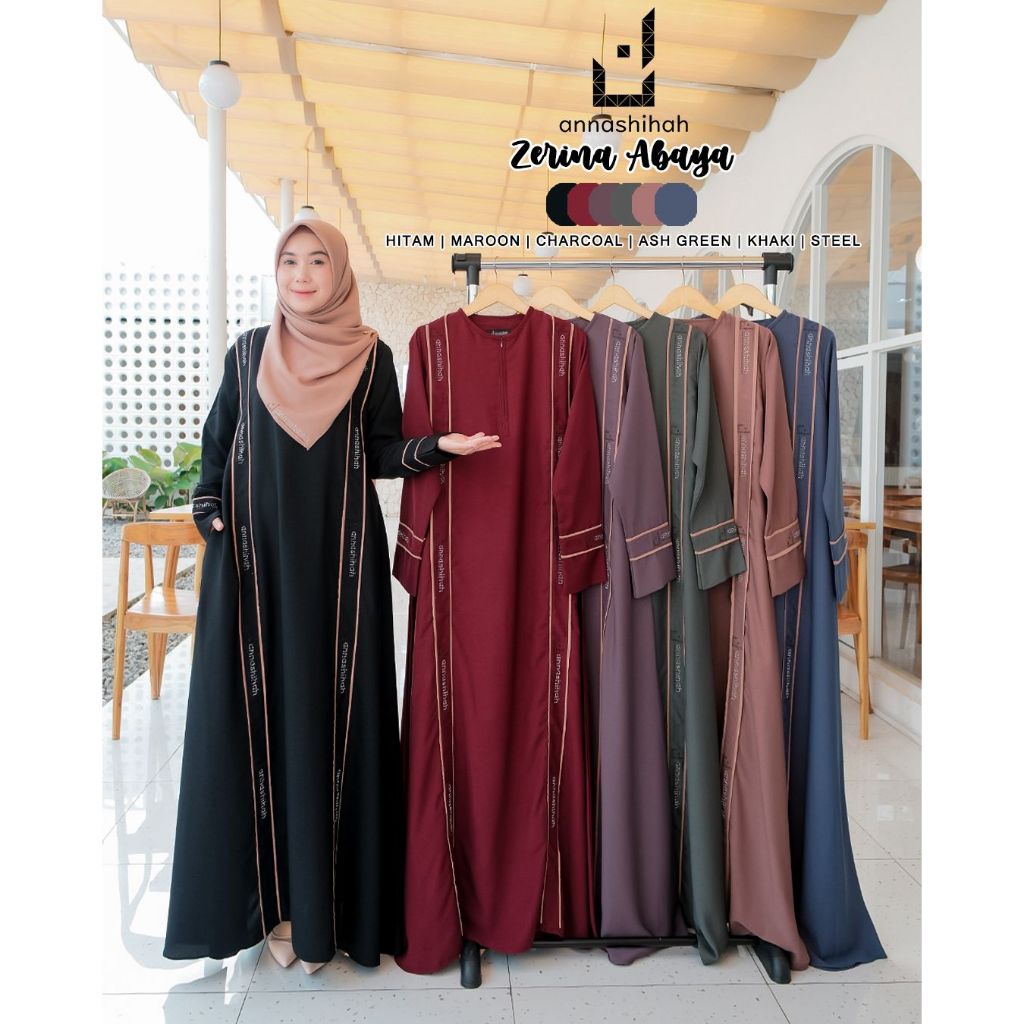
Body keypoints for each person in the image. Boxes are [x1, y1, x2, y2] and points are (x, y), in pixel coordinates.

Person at [163, 218, 498, 973]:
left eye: (318, 261)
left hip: (339, 573)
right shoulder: (247, 352)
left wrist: (435, 448)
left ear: (340, 273)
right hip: (254, 571)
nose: (303, 274)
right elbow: (215, 455)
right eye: (290, 260)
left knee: (331, 722)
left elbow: (380, 449)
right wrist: (213, 519)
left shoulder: (370, 357)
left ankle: (322, 914)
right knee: (257, 726)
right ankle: (270, 908)